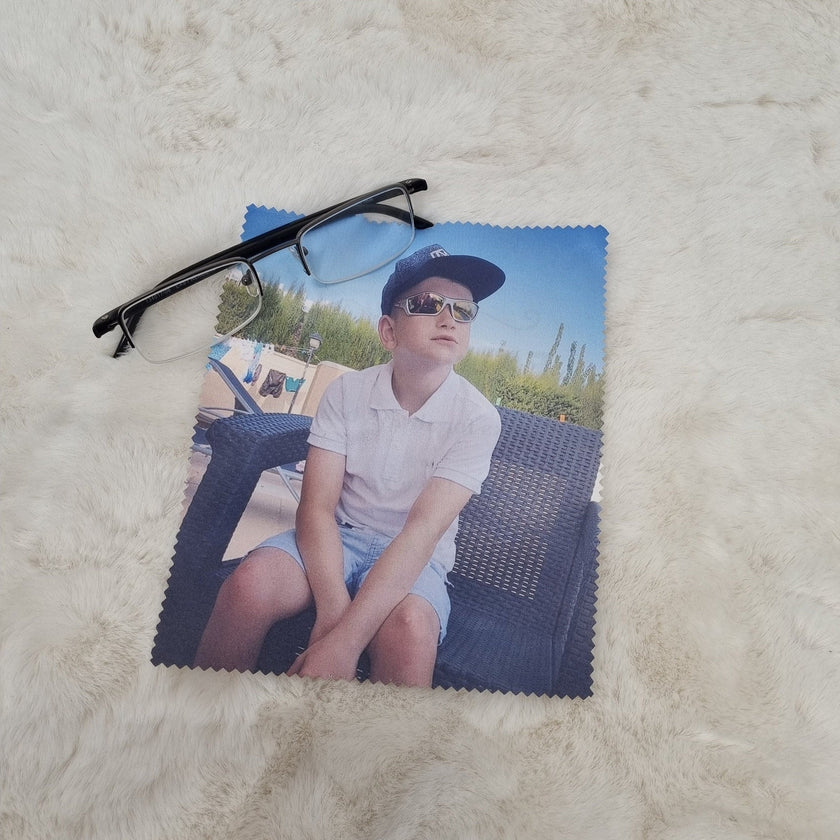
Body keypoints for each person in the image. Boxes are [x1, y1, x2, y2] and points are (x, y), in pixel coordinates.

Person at [194, 243, 505, 687]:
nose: (448, 319)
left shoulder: (477, 419)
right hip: (337, 537)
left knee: (410, 633)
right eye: (427, 303)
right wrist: (333, 614)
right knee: (249, 585)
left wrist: (346, 642)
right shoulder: (346, 393)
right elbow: (316, 508)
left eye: (463, 310)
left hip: (416, 557)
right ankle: (207, 714)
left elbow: (421, 533)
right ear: (388, 331)